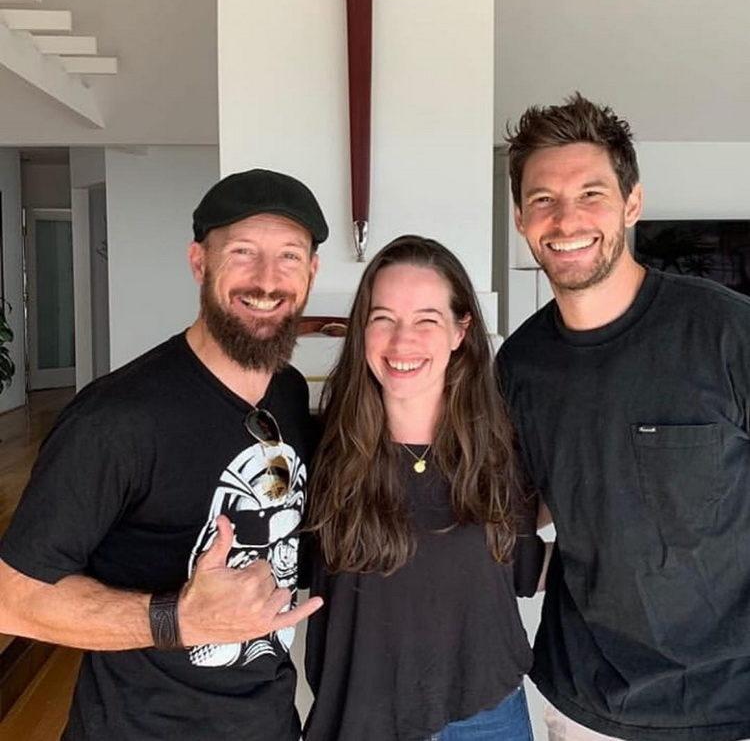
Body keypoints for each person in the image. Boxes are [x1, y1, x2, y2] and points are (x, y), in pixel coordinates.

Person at [0, 169, 328, 740]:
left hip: (269, 723)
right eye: (243, 252)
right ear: (199, 262)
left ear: (312, 272)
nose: (267, 280)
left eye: (289, 256)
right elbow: (12, 598)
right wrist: (177, 619)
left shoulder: (289, 393)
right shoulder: (116, 419)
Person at [498, 93, 750, 741]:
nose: (566, 219)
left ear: (632, 203)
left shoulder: (727, 332)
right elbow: (520, 506)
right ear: (521, 218)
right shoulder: (519, 366)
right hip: (582, 704)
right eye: (543, 199)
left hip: (728, 706)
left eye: (591, 194)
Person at [303, 235, 544, 741]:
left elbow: (523, 567)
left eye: (427, 320)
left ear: (461, 330)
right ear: (362, 330)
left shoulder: (504, 447)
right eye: (383, 318)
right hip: (360, 721)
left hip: (487, 719)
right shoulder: (317, 450)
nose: (401, 341)